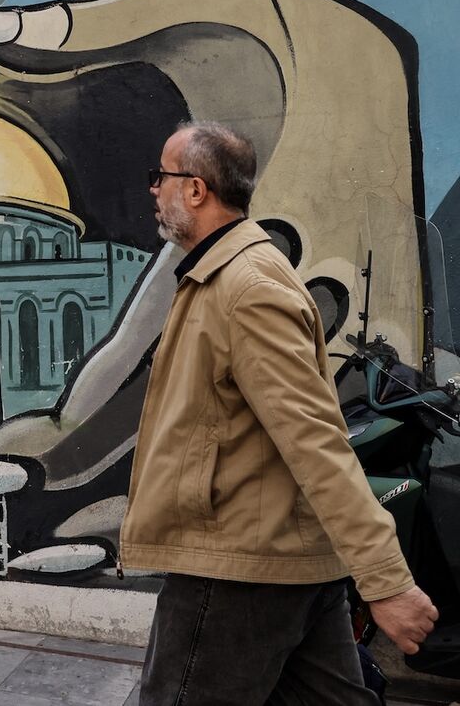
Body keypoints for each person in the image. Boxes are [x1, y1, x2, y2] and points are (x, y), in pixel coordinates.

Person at [125, 122, 439, 706]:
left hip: (238, 570)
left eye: (159, 177)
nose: (152, 191)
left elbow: (317, 442)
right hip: (281, 564)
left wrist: (386, 581)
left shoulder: (245, 289)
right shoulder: (222, 277)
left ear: (196, 189)